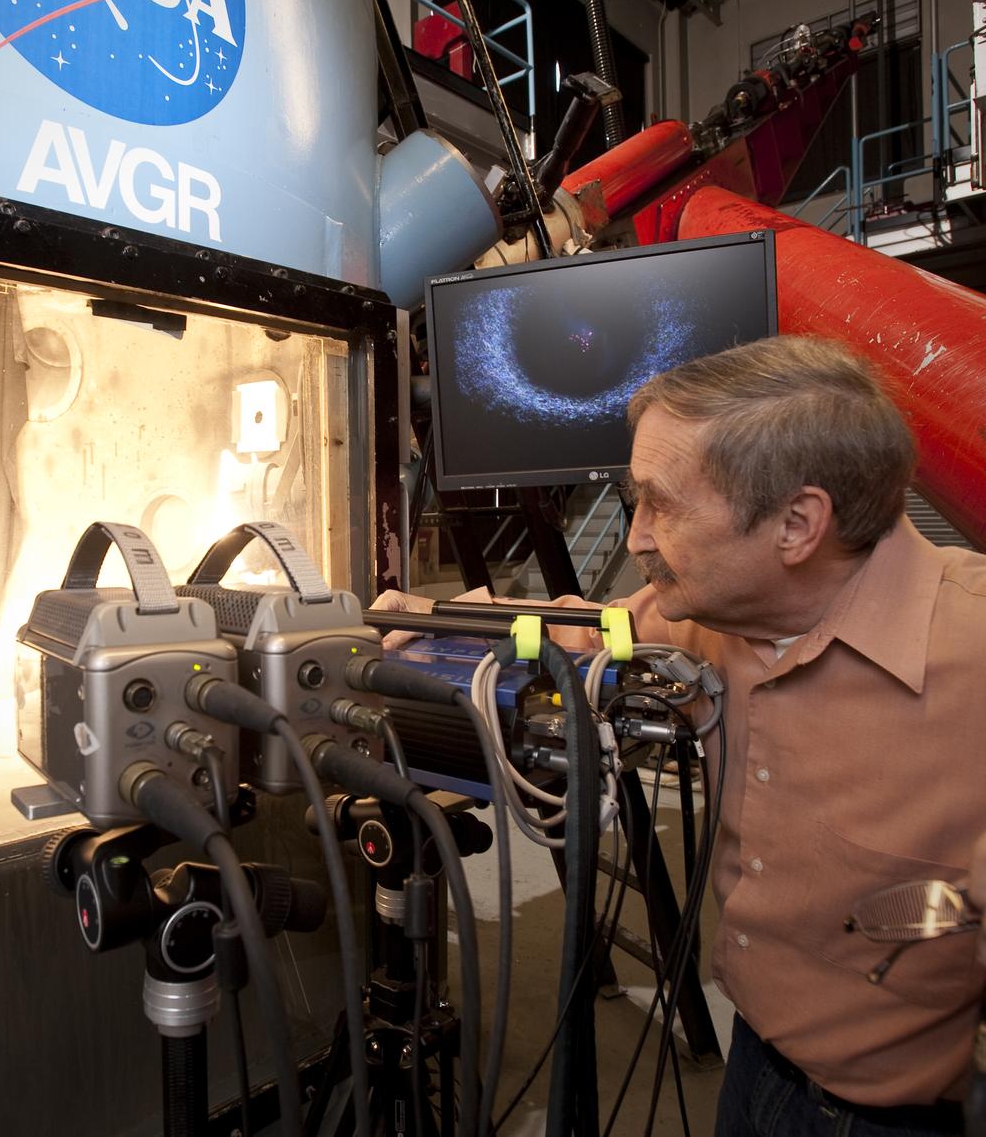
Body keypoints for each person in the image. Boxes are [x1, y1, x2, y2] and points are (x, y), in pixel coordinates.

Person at [376, 335, 986, 1136]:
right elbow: (588, 633)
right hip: (756, 1065)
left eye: (661, 504)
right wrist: (444, 624)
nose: (635, 538)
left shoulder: (971, 653)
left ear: (798, 523)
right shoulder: (711, 611)